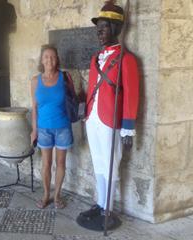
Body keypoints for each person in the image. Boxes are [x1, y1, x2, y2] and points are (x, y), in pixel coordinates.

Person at [79, 0, 139, 226]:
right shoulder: (96, 58)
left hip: (110, 119)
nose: (99, 33)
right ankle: (101, 203)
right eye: (98, 29)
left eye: (103, 28)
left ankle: (108, 209)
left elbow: (132, 95)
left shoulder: (127, 59)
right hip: (93, 117)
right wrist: (85, 113)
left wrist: (128, 128)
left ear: (115, 29)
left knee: (110, 163)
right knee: (98, 162)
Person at [31, 44, 75, 209]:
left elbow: (73, 100)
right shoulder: (35, 81)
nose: (49, 60)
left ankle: (57, 196)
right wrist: (34, 130)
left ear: (57, 60)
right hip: (43, 129)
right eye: (46, 57)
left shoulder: (64, 77)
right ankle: (45, 195)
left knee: (61, 163)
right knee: (46, 164)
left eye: (53, 57)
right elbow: (34, 108)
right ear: (42, 60)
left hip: (63, 127)